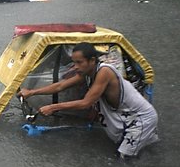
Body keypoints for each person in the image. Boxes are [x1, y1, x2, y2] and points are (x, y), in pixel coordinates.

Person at [17, 42, 159, 159]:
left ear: (92, 60)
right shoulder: (87, 72)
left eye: (79, 62)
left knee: (123, 160)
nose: (76, 67)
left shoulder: (104, 72)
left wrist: (53, 107)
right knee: (147, 151)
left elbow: (86, 102)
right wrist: (31, 92)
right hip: (127, 117)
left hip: (141, 119)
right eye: (74, 63)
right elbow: (60, 85)